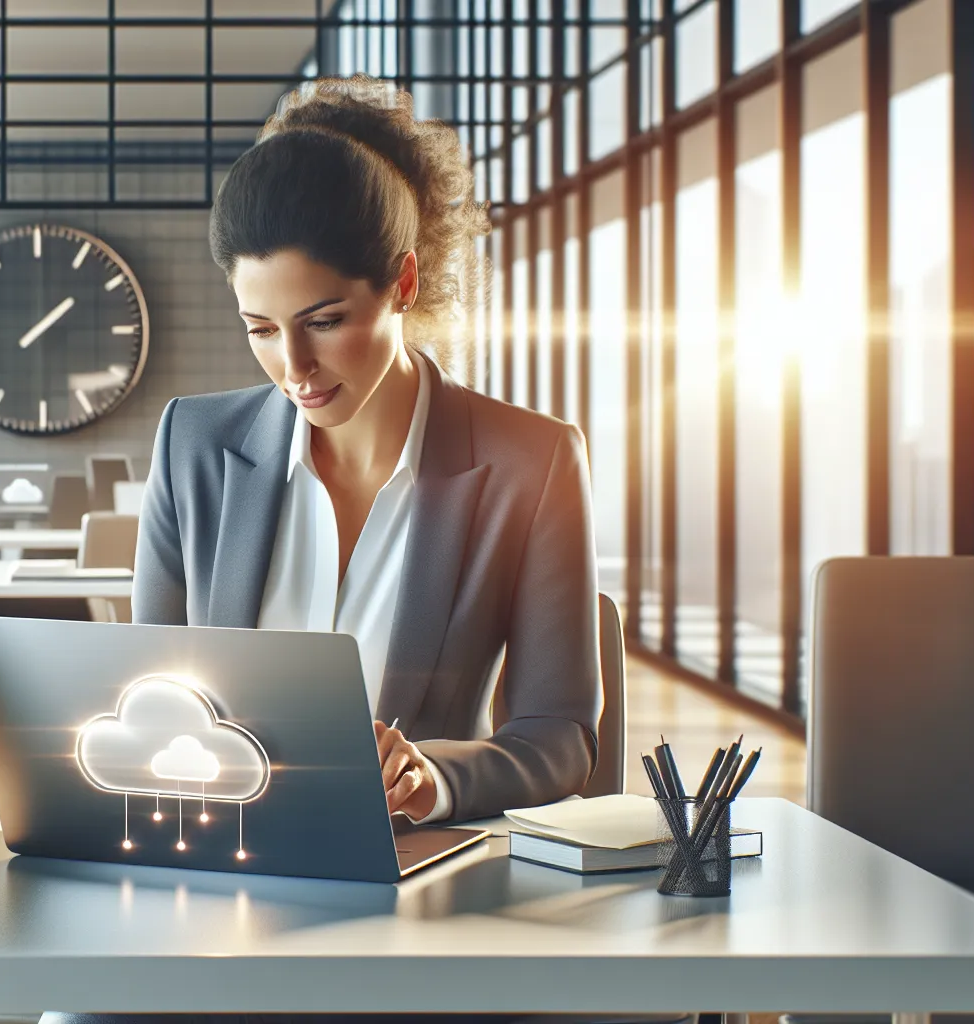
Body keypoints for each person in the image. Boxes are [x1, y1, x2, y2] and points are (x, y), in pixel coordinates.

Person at [35, 75, 603, 1024]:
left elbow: (561, 739)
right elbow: (139, 693)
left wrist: (435, 778)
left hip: (402, 909)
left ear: (405, 283)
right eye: (260, 330)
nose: (292, 368)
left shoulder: (530, 461)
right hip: (208, 886)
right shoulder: (193, 445)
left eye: (324, 323)